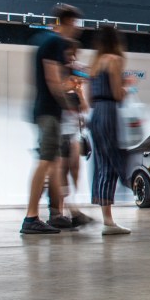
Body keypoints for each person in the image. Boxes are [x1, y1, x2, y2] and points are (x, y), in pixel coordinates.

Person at [21, 3, 83, 235]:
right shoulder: (55, 42)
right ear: (68, 22)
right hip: (49, 112)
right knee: (46, 162)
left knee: (54, 164)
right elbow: (54, 80)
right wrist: (70, 103)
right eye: (76, 24)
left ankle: (56, 215)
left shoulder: (44, 40)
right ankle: (31, 217)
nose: (78, 29)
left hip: (46, 111)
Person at [87, 26, 132, 235]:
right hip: (109, 113)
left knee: (102, 163)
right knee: (114, 162)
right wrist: (128, 87)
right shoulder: (114, 60)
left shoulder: (94, 63)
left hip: (95, 113)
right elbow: (117, 93)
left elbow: (88, 99)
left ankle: (108, 219)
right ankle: (109, 221)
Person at [55, 42, 94, 227]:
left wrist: (79, 90)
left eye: (74, 56)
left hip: (74, 132)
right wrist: (67, 86)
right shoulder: (59, 75)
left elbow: (85, 109)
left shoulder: (76, 80)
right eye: (69, 55)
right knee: (61, 171)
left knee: (75, 169)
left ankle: (72, 206)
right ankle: (63, 210)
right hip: (61, 131)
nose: (72, 59)